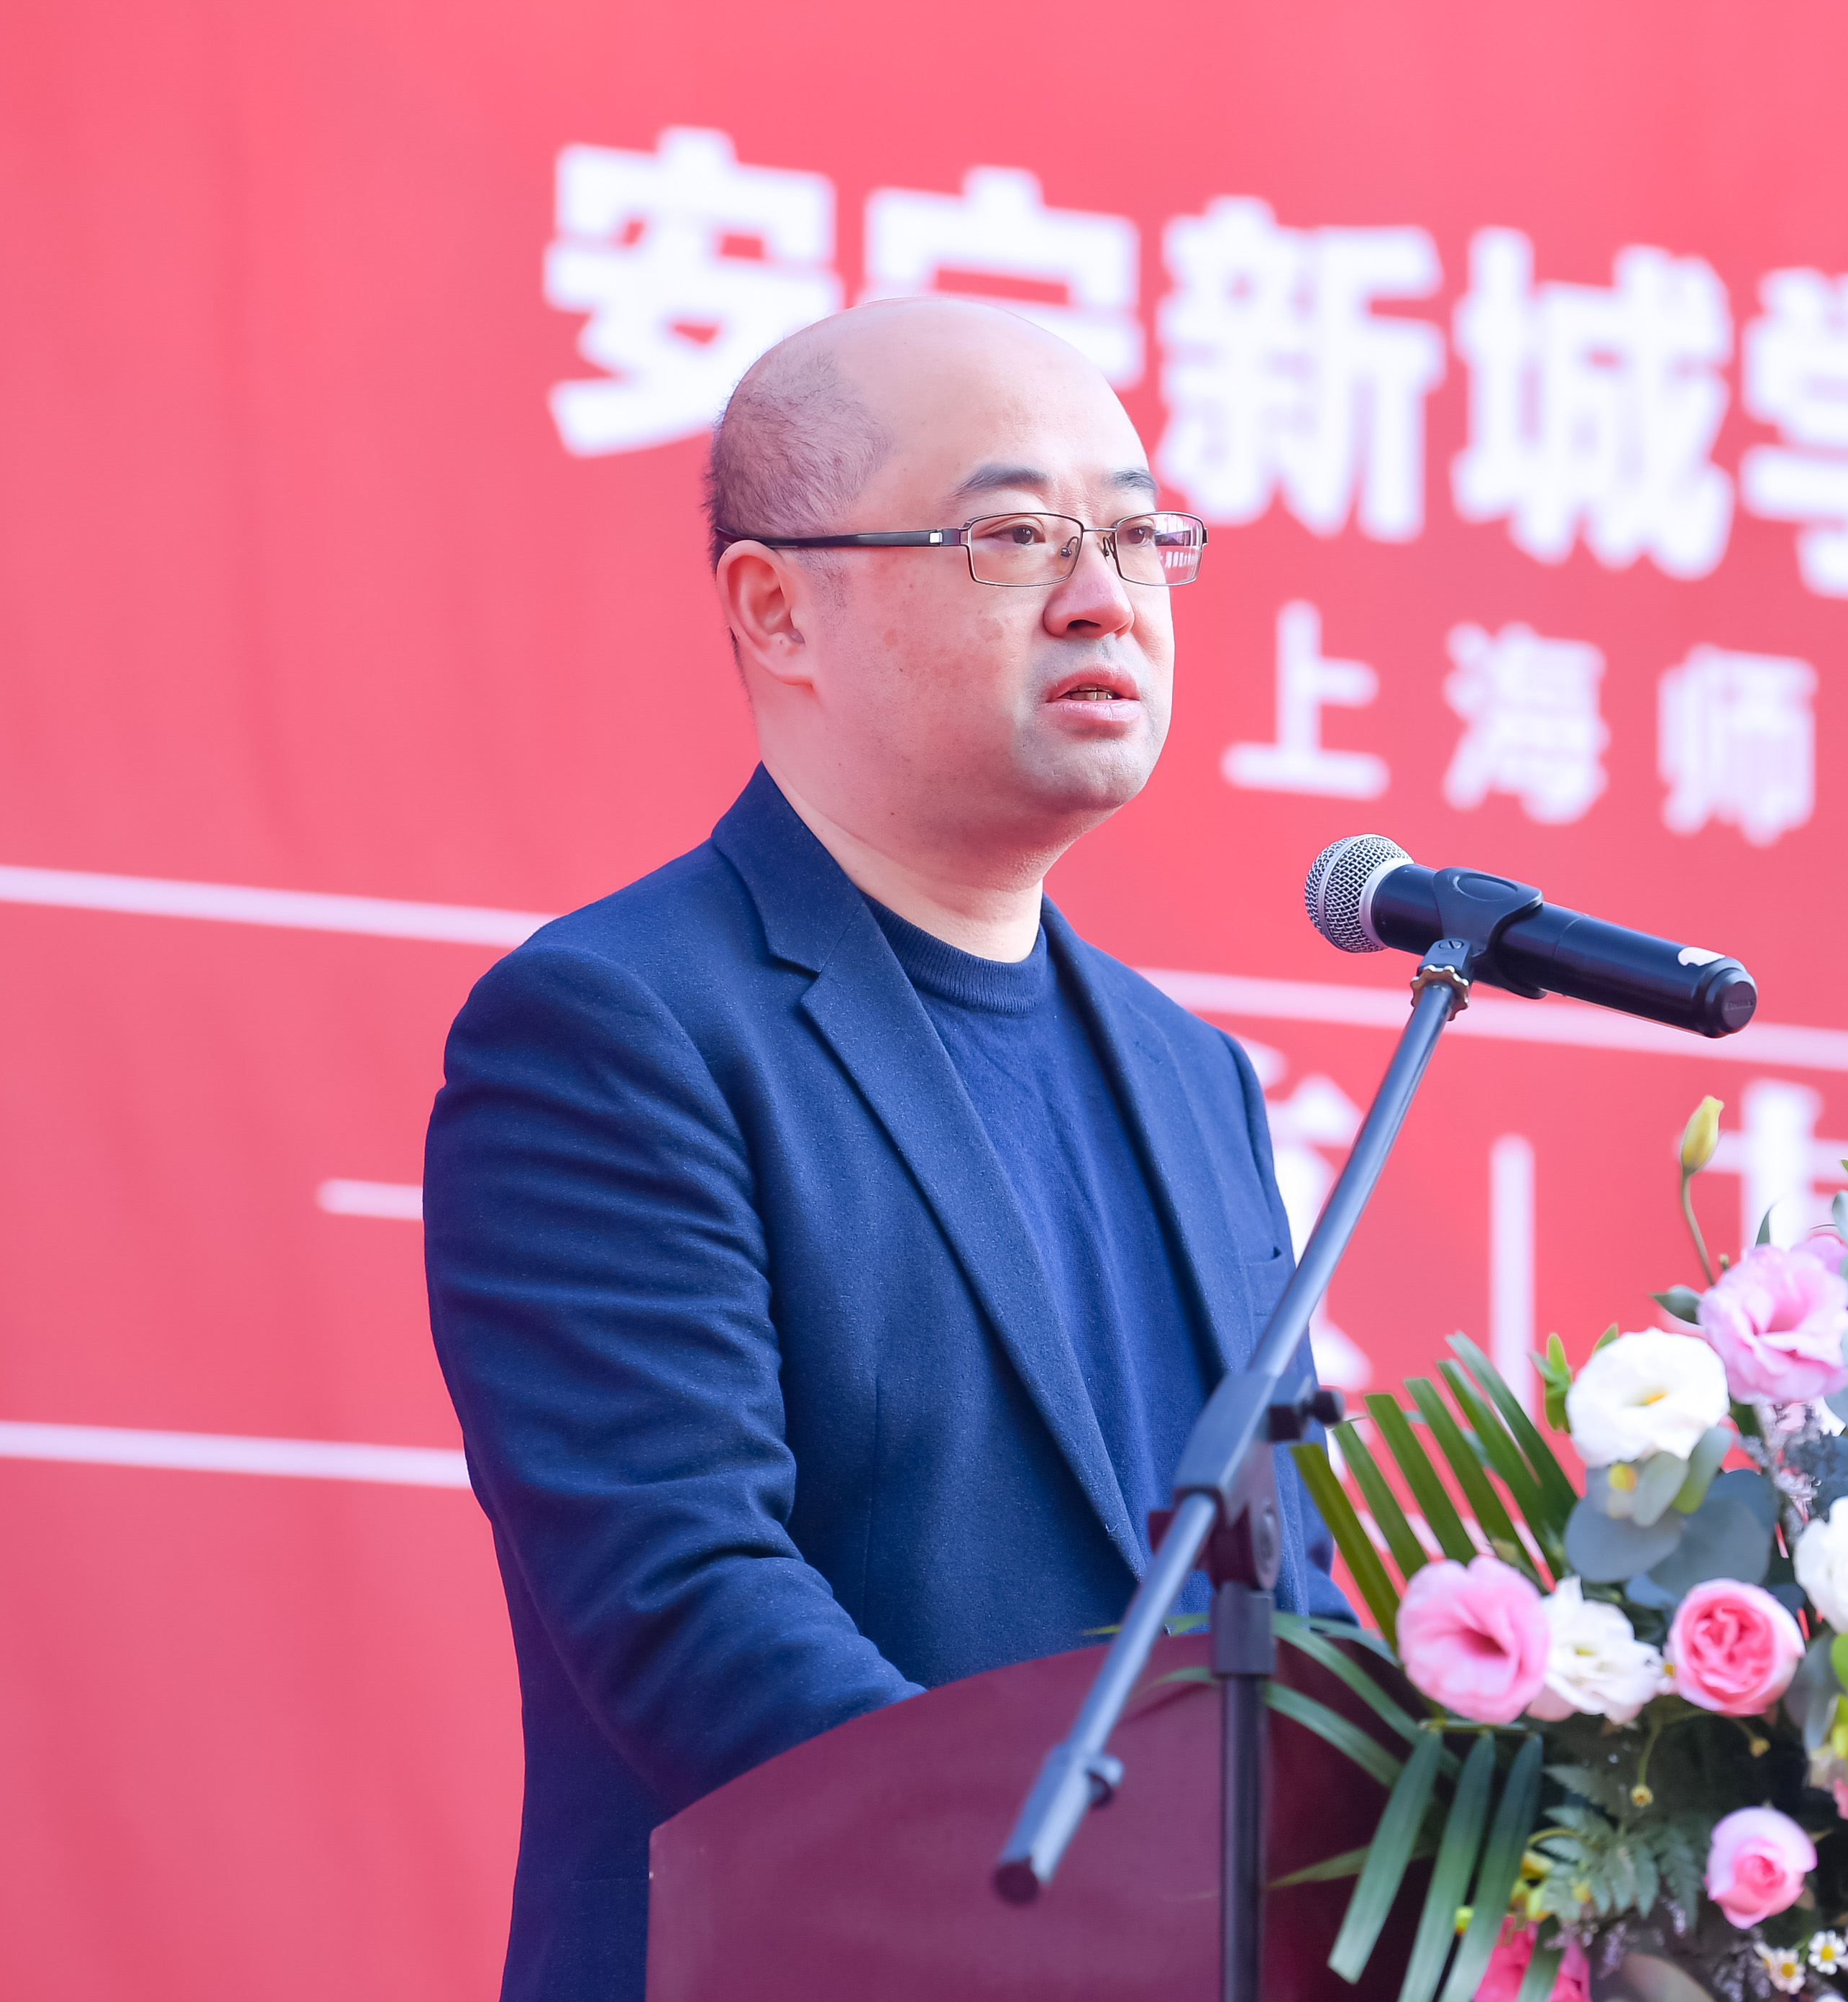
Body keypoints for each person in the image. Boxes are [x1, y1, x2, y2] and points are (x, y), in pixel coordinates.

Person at [424, 298, 1340, 2002]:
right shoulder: (615, 1031)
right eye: (1015, 535)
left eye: (1138, 535)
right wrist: (1081, 1924)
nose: (1104, 596)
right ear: (778, 608)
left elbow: (1287, 1622)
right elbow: (696, 1610)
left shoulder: (1196, 1083)